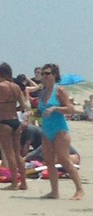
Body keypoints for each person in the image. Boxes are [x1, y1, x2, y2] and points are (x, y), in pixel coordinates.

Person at [38, 63, 84, 200]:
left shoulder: (59, 90)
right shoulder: (42, 92)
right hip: (46, 129)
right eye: (43, 73)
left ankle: (79, 190)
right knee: (49, 160)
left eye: (47, 73)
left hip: (60, 129)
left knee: (64, 159)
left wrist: (55, 109)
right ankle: (54, 192)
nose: (44, 76)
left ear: (54, 75)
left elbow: (70, 109)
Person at [0, 62, 27, 190]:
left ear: (0, 73)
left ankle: (15, 182)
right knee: (17, 153)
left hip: (4, 120)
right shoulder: (16, 87)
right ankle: (24, 183)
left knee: (8, 153)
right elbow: (23, 106)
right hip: (16, 120)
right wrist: (12, 107)